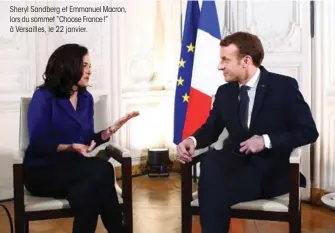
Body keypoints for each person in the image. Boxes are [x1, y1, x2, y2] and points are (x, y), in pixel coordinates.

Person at [177, 32, 319, 233]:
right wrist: (192, 140)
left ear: (246, 61)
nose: (220, 66)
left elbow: (308, 131)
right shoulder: (225, 92)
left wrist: (266, 140)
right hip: (234, 166)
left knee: (213, 190)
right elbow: (211, 128)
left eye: (225, 59)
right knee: (210, 167)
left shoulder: (283, 87)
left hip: (269, 172)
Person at [23, 43, 139, 233]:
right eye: (85, 65)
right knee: (103, 169)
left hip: (76, 170)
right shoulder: (43, 97)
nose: (89, 71)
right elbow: (38, 143)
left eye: (89, 66)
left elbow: (86, 141)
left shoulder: (86, 99)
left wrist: (108, 132)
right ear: (69, 66)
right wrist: (68, 147)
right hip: (43, 170)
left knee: (86, 194)